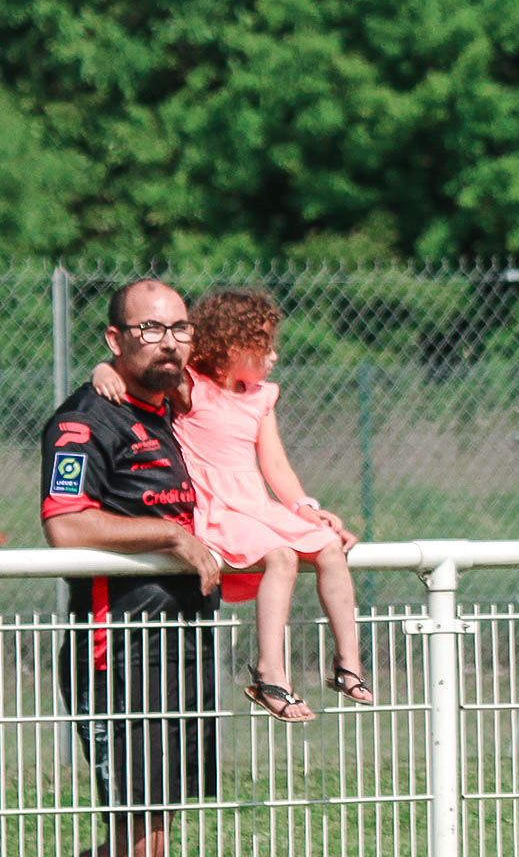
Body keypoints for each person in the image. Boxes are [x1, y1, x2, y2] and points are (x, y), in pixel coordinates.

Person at [2, 278, 222, 857]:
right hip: (118, 653)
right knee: (141, 841)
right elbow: (66, 525)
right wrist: (171, 535)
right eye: (150, 328)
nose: (168, 340)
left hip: (181, 648)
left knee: (142, 832)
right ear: (114, 340)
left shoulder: (172, 406)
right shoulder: (83, 420)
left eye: (179, 328)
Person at [93, 288, 367, 722]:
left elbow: (275, 464)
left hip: (255, 505)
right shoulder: (190, 388)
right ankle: (270, 674)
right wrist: (103, 367)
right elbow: (143, 368)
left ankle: (348, 664)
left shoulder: (261, 396)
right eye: (265, 347)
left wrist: (305, 507)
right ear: (232, 346)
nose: (273, 357)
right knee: (280, 557)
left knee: (330, 548)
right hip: (217, 509)